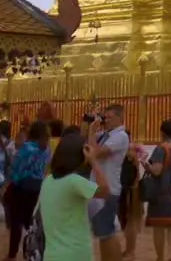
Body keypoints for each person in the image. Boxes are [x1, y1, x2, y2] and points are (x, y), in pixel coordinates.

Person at [40, 133, 113, 261]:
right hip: (75, 253)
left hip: (51, 254)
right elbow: (105, 191)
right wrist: (94, 160)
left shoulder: (47, 181)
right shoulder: (74, 182)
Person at [87, 104, 131, 260]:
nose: (107, 121)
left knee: (106, 233)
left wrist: (92, 132)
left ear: (120, 117)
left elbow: (96, 153)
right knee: (102, 232)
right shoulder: (106, 134)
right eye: (106, 117)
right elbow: (87, 144)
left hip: (108, 188)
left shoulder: (121, 136)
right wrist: (90, 124)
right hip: (98, 187)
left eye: (110, 118)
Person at [4, 120, 50, 260]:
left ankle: (12, 255)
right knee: (33, 224)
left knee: (16, 223)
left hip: (20, 189)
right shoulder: (46, 149)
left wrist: (9, 183)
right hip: (37, 188)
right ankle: (41, 252)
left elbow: (16, 170)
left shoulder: (26, 148)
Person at [145, 118, 171, 261]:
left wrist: (146, 166)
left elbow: (157, 171)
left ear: (162, 132)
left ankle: (160, 257)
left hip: (161, 193)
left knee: (159, 227)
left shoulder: (161, 149)